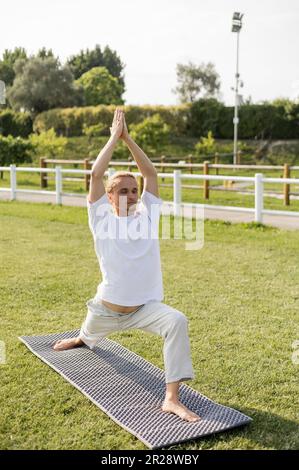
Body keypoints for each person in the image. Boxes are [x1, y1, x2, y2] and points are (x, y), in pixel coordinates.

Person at [53, 109, 200, 422]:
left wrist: (128, 139)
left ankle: (171, 398)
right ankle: (83, 336)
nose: (132, 195)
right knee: (87, 336)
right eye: (123, 190)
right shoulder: (101, 218)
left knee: (177, 321)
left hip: (143, 309)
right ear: (108, 196)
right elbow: (95, 175)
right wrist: (112, 138)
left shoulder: (148, 216)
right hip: (105, 311)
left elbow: (150, 176)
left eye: (134, 191)